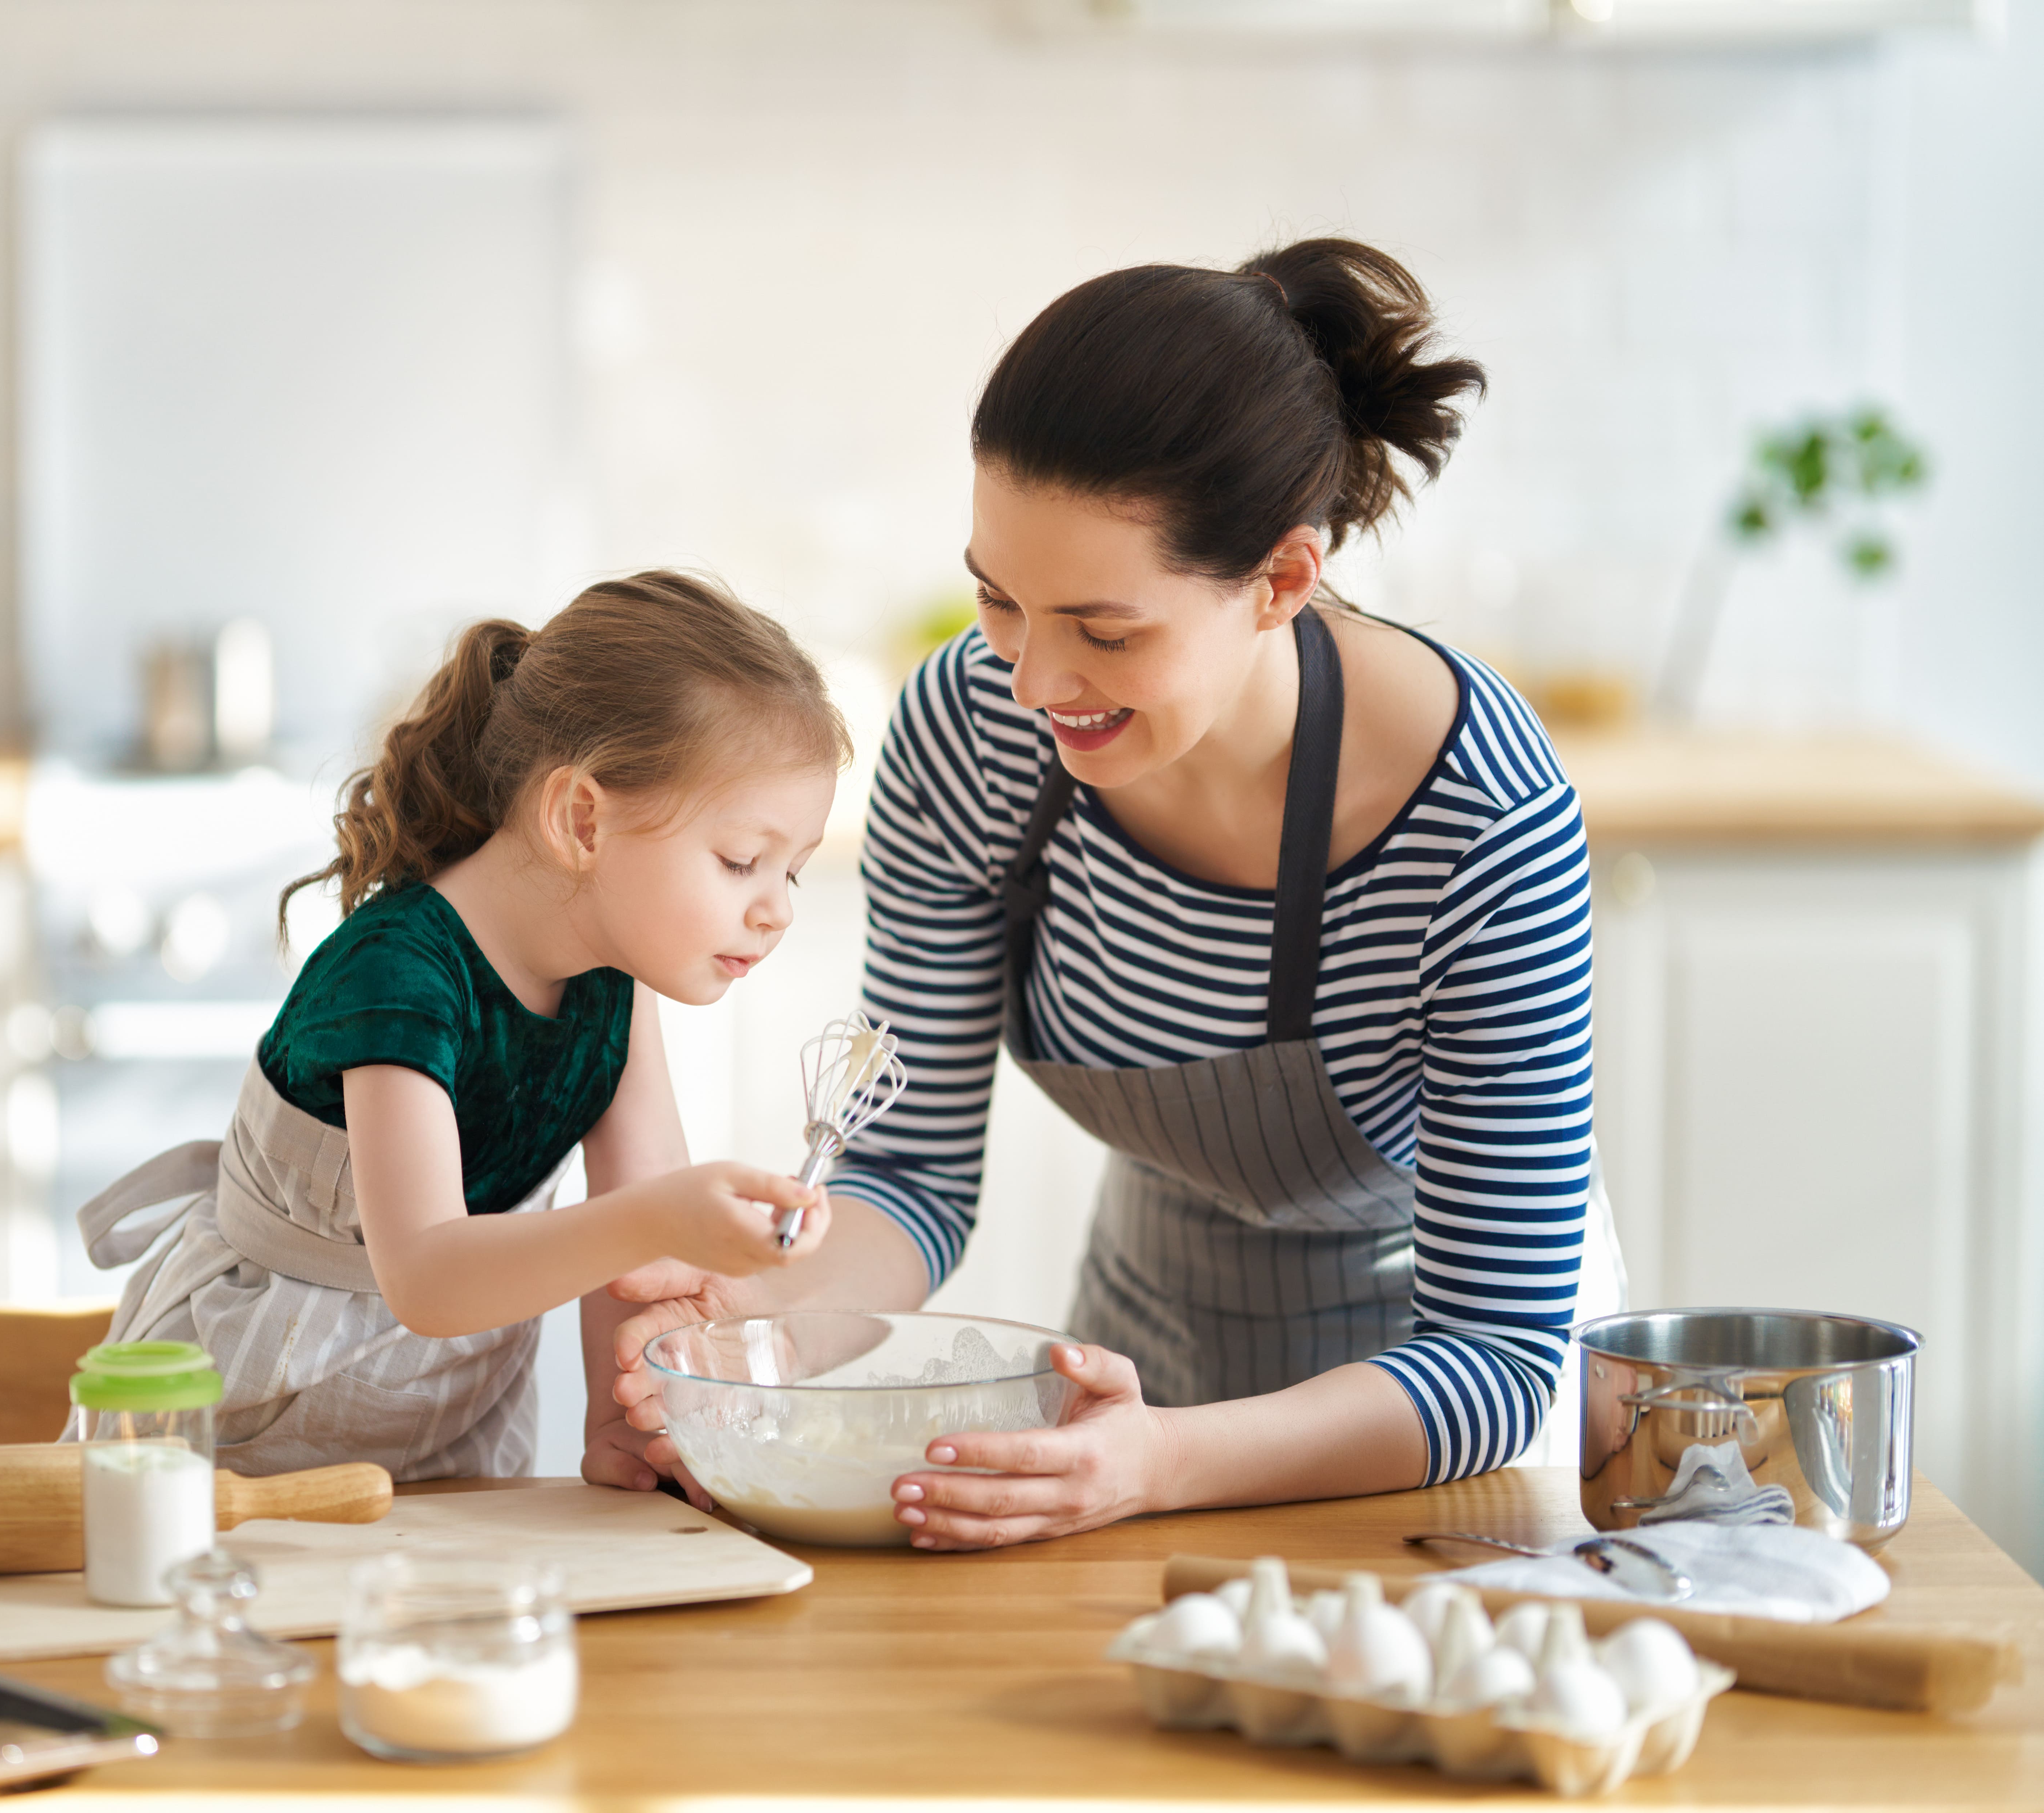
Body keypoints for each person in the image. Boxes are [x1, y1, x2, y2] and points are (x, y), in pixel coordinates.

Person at [592, 241, 1624, 1541]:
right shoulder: (970, 736)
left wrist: (1163, 1464)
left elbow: (1499, 1354)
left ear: (1282, 582)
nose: (1032, 680)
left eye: (1106, 630)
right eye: (999, 602)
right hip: (1144, 1360)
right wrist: (764, 1320)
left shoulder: (1480, 817)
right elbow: (911, 1168)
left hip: (1427, 1425)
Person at [80, 570, 848, 1480]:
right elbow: (432, 1279)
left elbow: (639, 1264)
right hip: (241, 1435)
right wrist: (659, 1219)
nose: (776, 912)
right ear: (582, 819)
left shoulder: (616, 986)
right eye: (742, 861)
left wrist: (618, 1423)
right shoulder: (398, 973)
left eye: (790, 873)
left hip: (448, 1437)